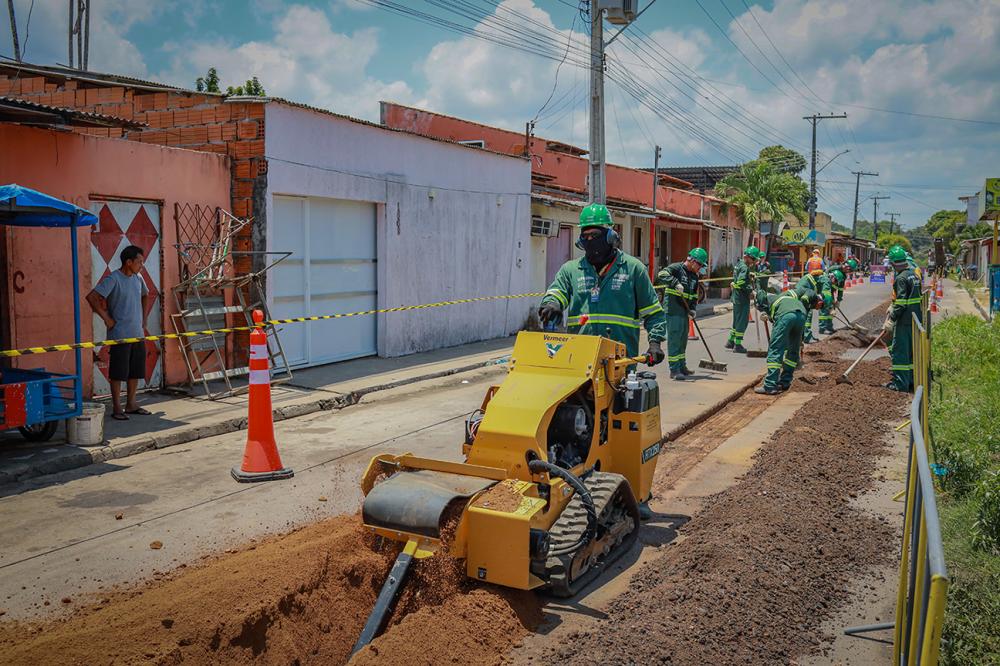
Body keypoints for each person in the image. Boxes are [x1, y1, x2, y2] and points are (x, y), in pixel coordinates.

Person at [538, 203, 666, 364]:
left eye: (595, 235)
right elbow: (557, 291)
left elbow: (653, 312)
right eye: (585, 236)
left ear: (610, 236)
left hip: (621, 360)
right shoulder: (571, 269)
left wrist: (655, 342)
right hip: (580, 359)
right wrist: (552, 304)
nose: (590, 240)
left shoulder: (634, 269)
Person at [86, 245, 152, 421]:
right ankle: (117, 407)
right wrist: (107, 319)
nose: (141, 265)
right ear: (128, 262)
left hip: (137, 333)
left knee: (135, 371)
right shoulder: (114, 278)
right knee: (118, 372)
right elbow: (92, 297)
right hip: (120, 334)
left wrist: (144, 318)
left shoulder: (138, 278)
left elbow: (146, 295)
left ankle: (131, 404)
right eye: (139, 262)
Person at [753, 288, 820, 394]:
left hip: (786, 316)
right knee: (793, 350)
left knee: (775, 349)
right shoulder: (781, 298)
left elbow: (778, 322)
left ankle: (770, 386)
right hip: (801, 315)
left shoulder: (771, 303)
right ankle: (785, 381)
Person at [654, 248, 707, 380]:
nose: (700, 269)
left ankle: (682, 366)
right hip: (673, 309)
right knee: (675, 339)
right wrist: (675, 283)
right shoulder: (676, 268)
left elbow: (694, 295)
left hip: (685, 311)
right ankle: (674, 369)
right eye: (700, 265)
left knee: (683, 340)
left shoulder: (695, 276)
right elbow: (661, 275)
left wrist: (693, 309)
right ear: (693, 261)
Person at [883, 245, 922, 392]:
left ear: (893, 263)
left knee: (900, 353)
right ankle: (911, 380)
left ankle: (900, 384)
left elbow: (901, 302)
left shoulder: (900, 278)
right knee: (911, 353)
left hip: (904, 321)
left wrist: (892, 318)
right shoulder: (913, 274)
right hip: (914, 318)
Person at [726, 247, 757, 353]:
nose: (754, 262)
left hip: (736, 297)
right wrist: (751, 290)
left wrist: (749, 275)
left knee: (736, 320)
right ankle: (738, 345)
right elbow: (741, 282)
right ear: (749, 257)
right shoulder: (744, 267)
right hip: (742, 298)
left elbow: (739, 279)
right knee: (742, 321)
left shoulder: (739, 264)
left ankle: (730, 341)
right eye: (753, 259)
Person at [794, 267, 832, 343]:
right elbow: (825, 294)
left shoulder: (822, 276)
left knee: (805, 314)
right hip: (804, 291)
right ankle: (806, 337)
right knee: (806, 314)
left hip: (802, 290)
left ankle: (804, 336)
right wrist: (829, 307)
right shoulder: (826, 280)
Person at [819, 267, 846, 334]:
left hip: (828, 293)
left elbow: (840, 290)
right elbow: (826, 295)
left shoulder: (835, 280)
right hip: (822, 294)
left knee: (831, 310)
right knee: (825, 309)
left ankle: (829, 327)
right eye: (836, 281)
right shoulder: (826, 280)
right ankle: (822, 329)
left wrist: (838, 301)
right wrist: (830, 306)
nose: (836, 283)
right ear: (832, 276)